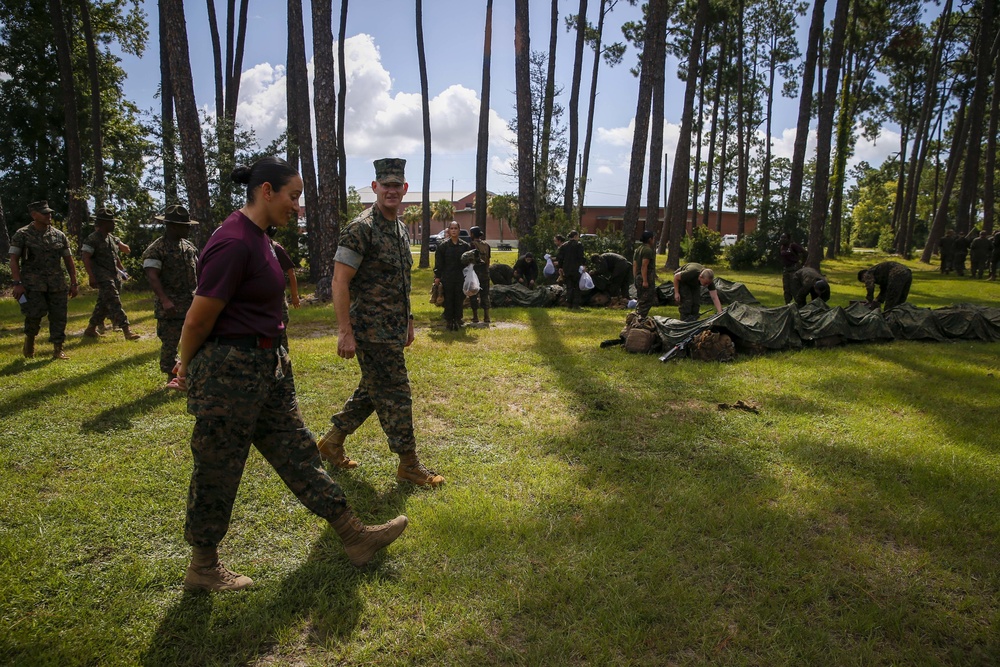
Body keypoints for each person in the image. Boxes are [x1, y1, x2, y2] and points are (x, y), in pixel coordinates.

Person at [173, 156, 408, 592]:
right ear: (266, 191)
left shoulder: (261, 238)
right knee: (218, 469)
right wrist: (185, 364)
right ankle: (203, 567)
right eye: (293, 197)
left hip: (267, 371)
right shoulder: (232, 241)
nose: (297, 207)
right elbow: (197, 320)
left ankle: (355, 537)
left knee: (300, 453)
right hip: (229, 376)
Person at [317, 158, 444, 488]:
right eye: (384, 185)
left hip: (392, 329)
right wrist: (345, 331)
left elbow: (401, 280)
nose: (391, 190)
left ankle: (331, 442)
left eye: (396, 185)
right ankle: (409, 464)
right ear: (375, 188)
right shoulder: (362, 228)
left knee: (374, 390)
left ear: (404, 189)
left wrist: (409, 322)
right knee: (396, 392)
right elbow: (339, 282)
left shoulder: (400, 228)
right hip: (370, 330)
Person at [9, 200, 79, 359]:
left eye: (50, 212)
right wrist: (17, 283)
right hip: (33, 285)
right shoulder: (22, 234)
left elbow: (68, 260)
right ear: (34, 215)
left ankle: (58, 349)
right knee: (33, 315)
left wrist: (74, 282)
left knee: (59, 316)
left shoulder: (59, 235)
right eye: (45, 213)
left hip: (57, 284)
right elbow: (13, 260)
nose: (49, 215)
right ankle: (30, 342)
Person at [142, 204, 199, 384]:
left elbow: (199, 272)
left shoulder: (189, 247)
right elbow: (152, 277)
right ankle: (171, 376)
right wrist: (165, 300)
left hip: (191, 302)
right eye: (185, 225)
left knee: (196, 340)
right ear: (173, 226)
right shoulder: (156, 249)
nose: (188, 228)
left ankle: (192, 375)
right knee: (170, 343)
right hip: (171, 306)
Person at [82, 207, 140, 341]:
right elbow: (86, 258)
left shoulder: (111, 239)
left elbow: (117, 256)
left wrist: (123, 271)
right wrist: (91, 276)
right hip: (102, 276)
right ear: (102, 224)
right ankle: (127, 330)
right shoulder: (92, 239)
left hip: (113, 274)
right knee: (114, 301)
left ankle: (90, 328)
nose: (114, 224)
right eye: (111, 222)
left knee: (103, 303)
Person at [266, 227, 300, 350]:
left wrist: (295, 296)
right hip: (262, 301)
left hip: (278, 301)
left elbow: (291, 272)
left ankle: (283, 359)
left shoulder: (276, 248)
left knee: (280, 335)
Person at [434, 220, 471, 331]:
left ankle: (458, 319)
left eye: (456, 228)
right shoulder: (443, 246)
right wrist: (437, 276)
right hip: (447, 277)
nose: (454, 230)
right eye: (452, 228)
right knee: (448, 299)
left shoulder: (465, 246)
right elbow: (439, 262)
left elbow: (469, 262)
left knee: (459, 299)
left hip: (460, 277)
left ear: (459, 230)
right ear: (448, 230)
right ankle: (449, 320)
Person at [556, 230, 586, 309]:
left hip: (567, 268)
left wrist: (560, 267)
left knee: (569, 286)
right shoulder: (578, 245)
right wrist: (584, 265)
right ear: (575, 236)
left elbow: (560, 258)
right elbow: (581, 257)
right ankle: (575, 304)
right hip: (576, 268)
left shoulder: (564, 246)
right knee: (576, 287)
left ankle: (568, 303)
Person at [468, 226, 491, 324]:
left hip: (474, 273)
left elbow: (469, 260)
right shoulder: (487, 245)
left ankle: (475, 317)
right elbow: (488, 260)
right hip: (485, 273)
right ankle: (486, 316)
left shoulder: (472, 245)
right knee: (485, 295)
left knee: (473, 295)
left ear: (472, 234)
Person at [632, 231, 658, 317]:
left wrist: (635, 277)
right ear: (650, 239)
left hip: (638, 277)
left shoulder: (638, 249)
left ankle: (636, 316)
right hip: (646, 278)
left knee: (641, 299)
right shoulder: (647, 250)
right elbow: (644, 266)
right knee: (647, 300)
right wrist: (645, 281)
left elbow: (635, 264)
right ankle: (640, 318)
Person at [778, 233, 806, 303]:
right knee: (786, 289)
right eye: (781, 238)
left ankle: (800, 305)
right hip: (786, 270)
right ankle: (787, 305)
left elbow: (804, 252)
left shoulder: (792, 246)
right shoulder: (782, 247)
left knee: (795, 289)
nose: (782, 239)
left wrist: (802, 264)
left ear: (788, 239)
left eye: (784, 238)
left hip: (794, 270)